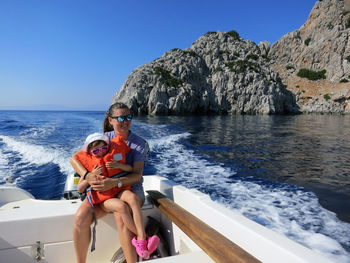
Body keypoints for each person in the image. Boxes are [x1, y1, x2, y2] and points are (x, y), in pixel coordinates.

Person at [70, 102, 157, 263]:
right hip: (103, 192)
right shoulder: (103, 140)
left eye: (128, 117)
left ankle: (137, 252)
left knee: (120, 213)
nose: (125, 121)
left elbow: (137, 175)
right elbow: (74, 159)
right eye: (120, 118)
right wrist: (87, 176)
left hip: (129, 187)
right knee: (80, 217)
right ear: (110, 120)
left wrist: (114, 183)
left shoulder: (139, 144)